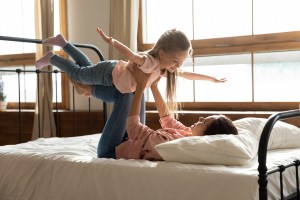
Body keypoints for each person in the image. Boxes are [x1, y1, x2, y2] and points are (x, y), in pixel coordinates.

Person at [35, 28, 226, 116]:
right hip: (108, 73)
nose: (177, 66)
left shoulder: (165, 69)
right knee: (78, 74)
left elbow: (189, 75)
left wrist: (212, 79)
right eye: (175, 61)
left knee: (85, 69)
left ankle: (63, 43)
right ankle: (52, 57)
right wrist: (113, 42)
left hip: (112, 78)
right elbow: (132, 55)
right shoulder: (150, 61)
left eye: (181, 62)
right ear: (162, 52)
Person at [70, 68, 237, 160]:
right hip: (129, 142)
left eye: (204, 122)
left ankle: (88, 89)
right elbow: (167, 119)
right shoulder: (187, 134)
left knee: (127, 93)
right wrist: (154, 87)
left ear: (207, 136)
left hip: (110, 151)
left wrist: (142, 86)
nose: (200, 119)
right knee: (132, 89)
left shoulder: (174, 146)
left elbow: (134, 127)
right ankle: (87, 86)